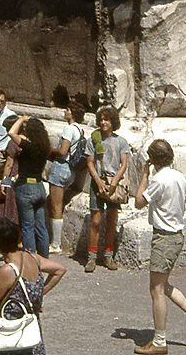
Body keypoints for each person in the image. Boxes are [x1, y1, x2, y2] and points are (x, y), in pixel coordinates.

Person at [132, 139, 186, 355]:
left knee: (156, 289)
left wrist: (144, 175)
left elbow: (138, 202)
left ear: (153, 159)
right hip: (176, 235)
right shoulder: (179, 177)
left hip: (164, 238)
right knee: (164, 286)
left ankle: (159, 342)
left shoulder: (158, 179)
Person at [0, 217, 66, 355]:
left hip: (13, 336)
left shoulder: (7, 271)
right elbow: (60, 269)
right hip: (32, 333)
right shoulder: (33, 258)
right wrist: (39, 294)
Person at [84, 104, 130, 272]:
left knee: (111, 221)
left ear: (113, 121)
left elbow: (123, 164)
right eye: (101, 119)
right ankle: (91, 257)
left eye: (107, 119)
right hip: (98, 183)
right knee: (95, 221)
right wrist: (99, 182)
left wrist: (113, 184)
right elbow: (90, 163)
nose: (103, 122)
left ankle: (108, 256)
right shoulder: (93, 140)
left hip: (113, 184)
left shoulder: (121, 142)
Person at [9, 116, 51, 258]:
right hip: (39, 186)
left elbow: (11, 133)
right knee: (41, 228)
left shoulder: (29, 146)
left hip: (26, 188)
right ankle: (44, 259)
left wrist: (20, 119)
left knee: (27, 227)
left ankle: (30, 261)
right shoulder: (44, 148)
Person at [47, 101, 86, 252]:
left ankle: (56, 244)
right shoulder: (80, 129)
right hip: (71, 171)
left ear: (73, 113)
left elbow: (63, 151)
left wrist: (49, 148)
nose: (65, 111)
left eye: (68, 109)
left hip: (61, 167)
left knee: (56, 206)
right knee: (56, 204)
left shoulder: (69, 128)